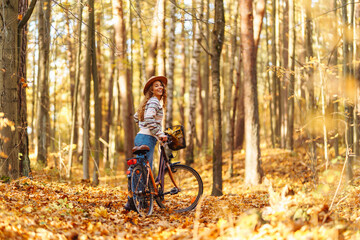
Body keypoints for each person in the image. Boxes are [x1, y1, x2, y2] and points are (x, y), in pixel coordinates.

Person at [124, 76, 168, 211]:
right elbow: (148, 118)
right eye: (156, 86)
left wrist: (145, 128)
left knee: (138, 170)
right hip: (147, 139)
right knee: (143, 171)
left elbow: (137, 117)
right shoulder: (154, 101)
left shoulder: (148, 102)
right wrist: (159, 133)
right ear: (151, 90)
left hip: (141, 136)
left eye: (161, 85)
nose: (160, 87)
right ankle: (140, 203)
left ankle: (132, 201)